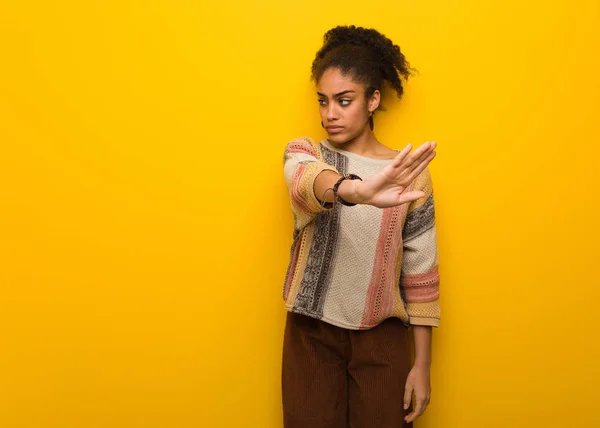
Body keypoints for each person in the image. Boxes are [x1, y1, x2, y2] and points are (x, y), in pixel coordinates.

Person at [281, 25, 440, 428]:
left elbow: (421, 273)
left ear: (372, 100)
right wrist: (357, 190)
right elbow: (304, 180)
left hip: (382, 338)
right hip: (310, 333)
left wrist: (422, 365)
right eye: (323, 101)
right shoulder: (307, 152)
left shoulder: (409, 175)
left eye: (344, 100)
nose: (329, 113)